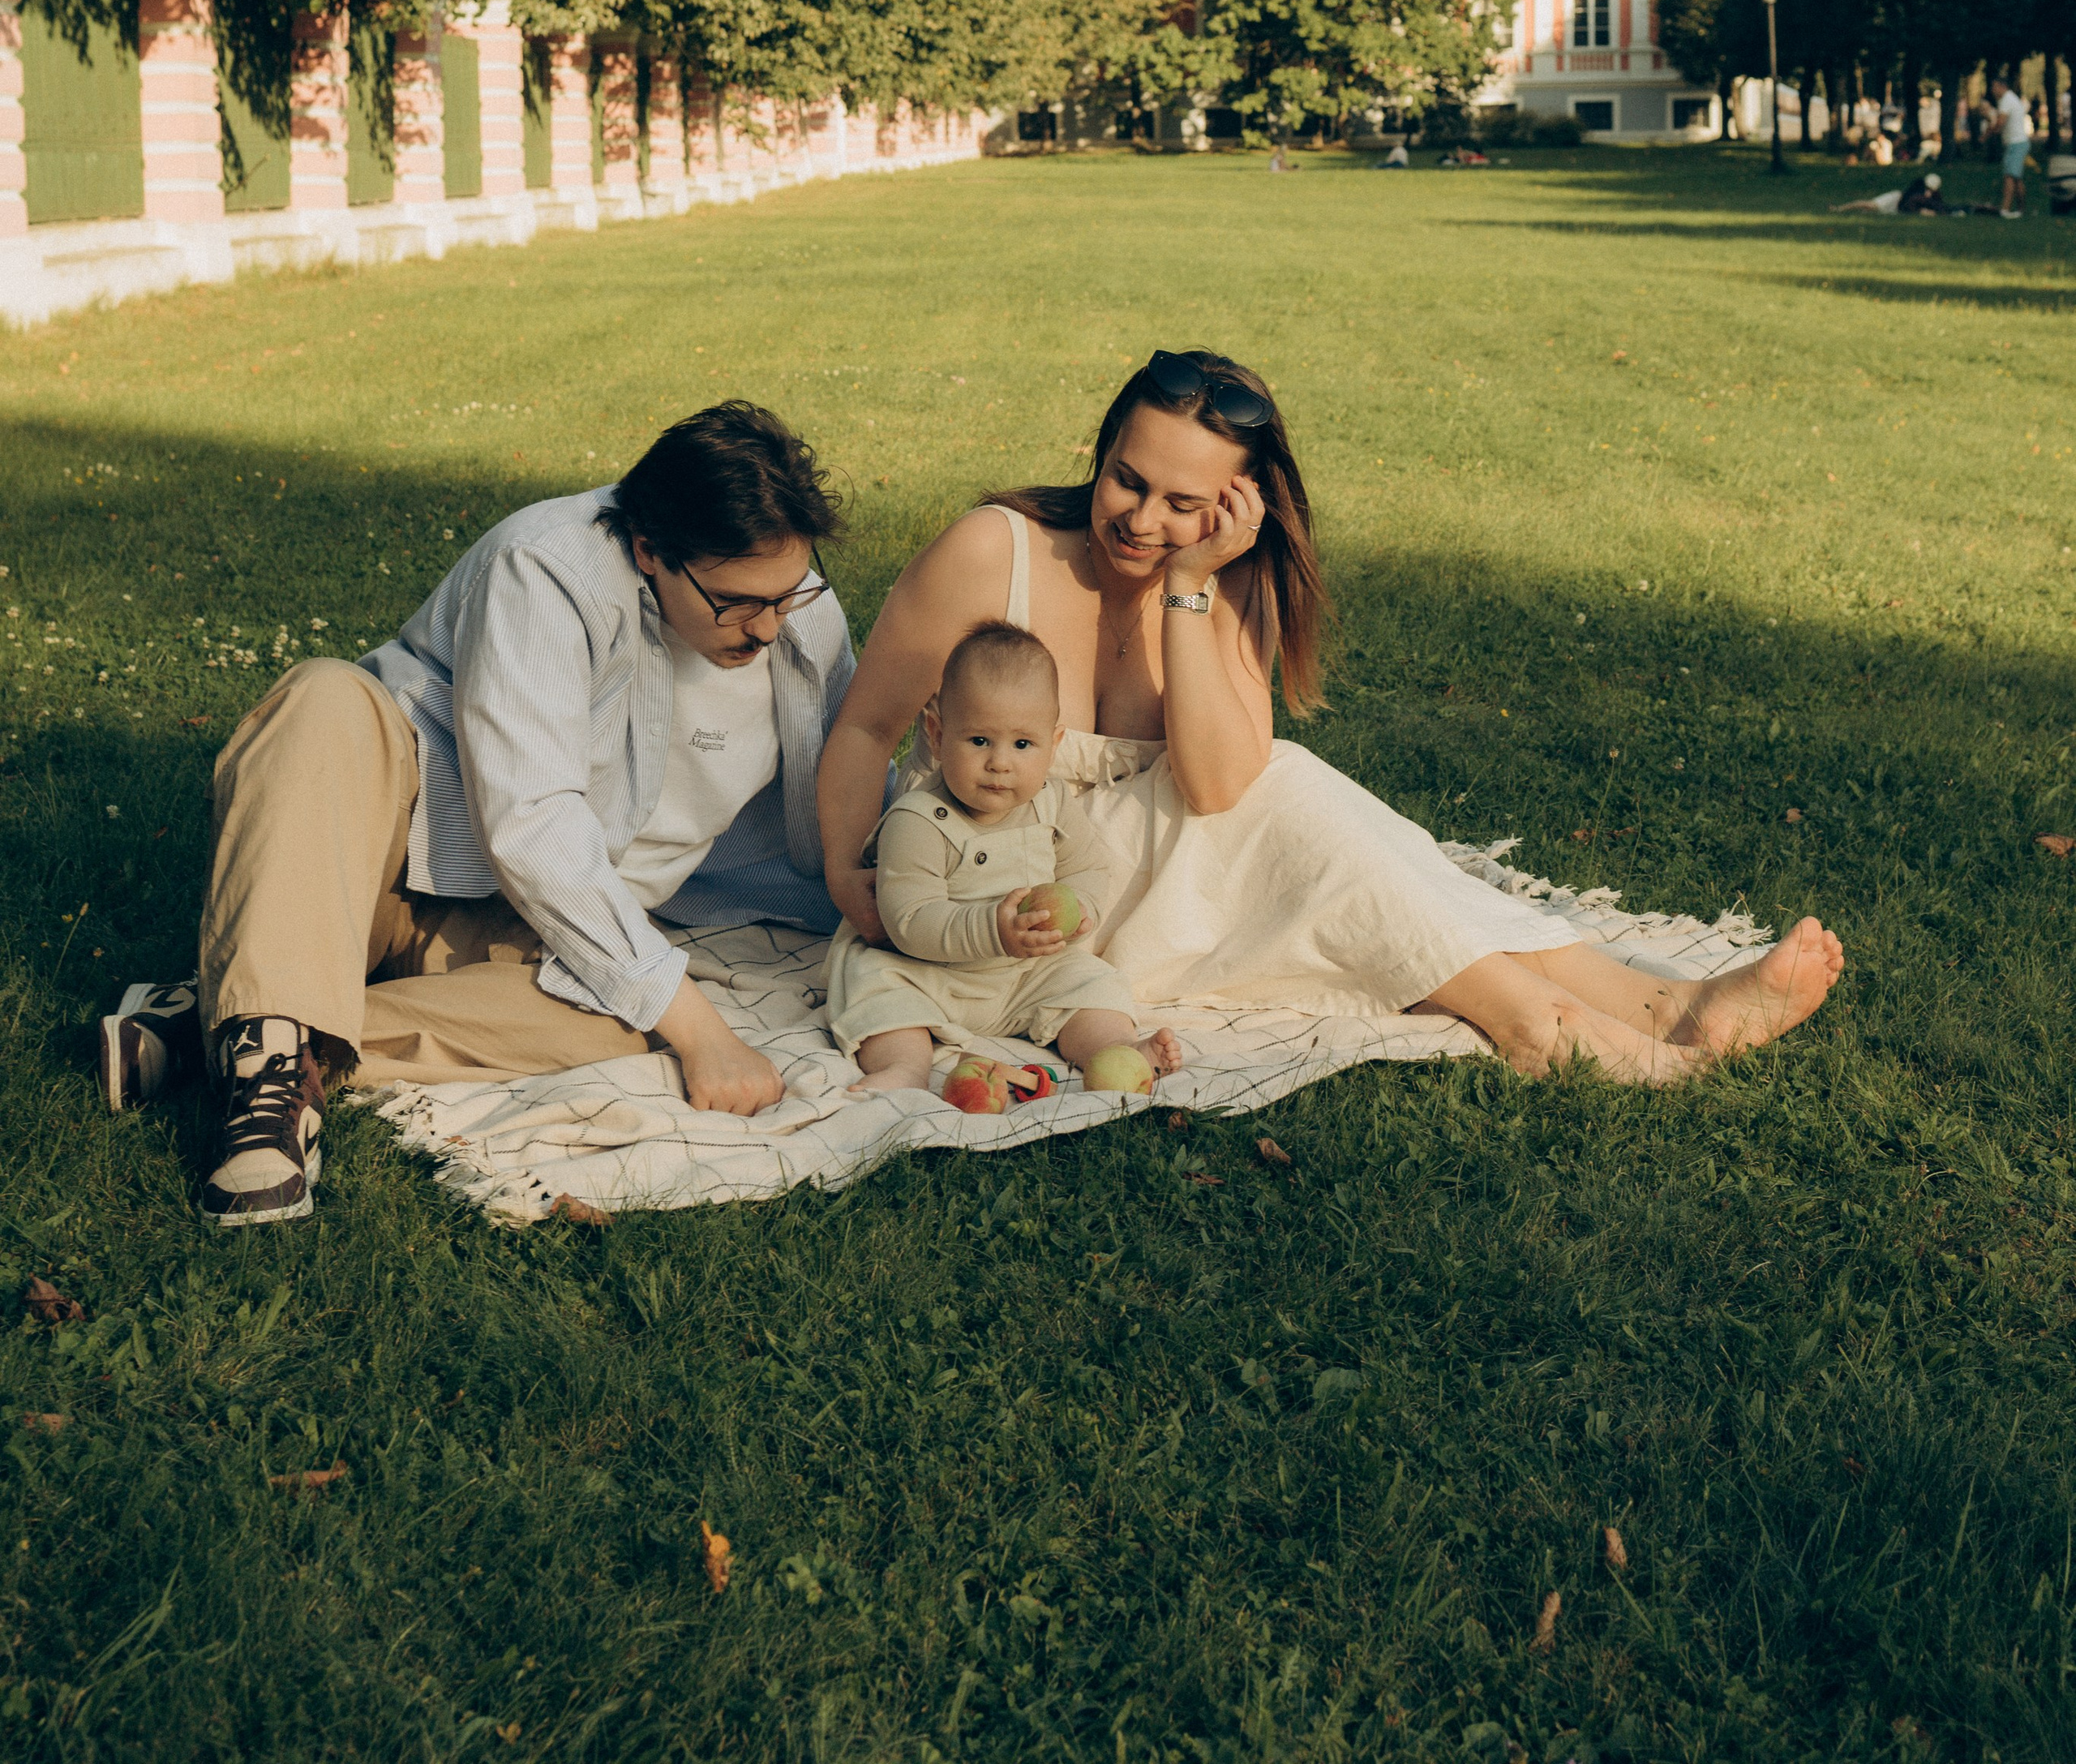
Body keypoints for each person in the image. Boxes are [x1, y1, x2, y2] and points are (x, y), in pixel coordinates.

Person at [818, 348, 1844, 1085]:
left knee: (1296, 800)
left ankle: (1656, 1004)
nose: (1141, 519)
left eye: (1183, 505)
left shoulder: (1217, 583)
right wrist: (844, 877)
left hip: (1149, 882)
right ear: (1101, 450)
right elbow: (866, 729)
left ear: (1234, 510)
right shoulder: (991, 551)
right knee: (1303, 800)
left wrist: (1188, 586)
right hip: (1008, 890)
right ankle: (1543, 1023)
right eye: (1127, 480)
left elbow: (1219, 782)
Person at [102, 403, 855, 1229]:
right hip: (366, 862)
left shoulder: (796, 621)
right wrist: (708, 1034)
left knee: (624, 1022)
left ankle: (253, 1024)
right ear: (649, 550)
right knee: (323, 698)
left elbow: (839, 791)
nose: (770, 625)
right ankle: (264, 1096)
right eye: (738, 602)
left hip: (500, 923)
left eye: (791, 593)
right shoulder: (545, 567)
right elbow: (533, 824)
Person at [829, 620, 1179, 1097]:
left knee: (1090, 982)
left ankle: (1114, 1049)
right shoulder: (917, 820)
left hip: (1027, 975)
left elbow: (1088, 866)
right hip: (931, 974)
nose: (1000, 762)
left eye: (1022, 744)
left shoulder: (1051, 803)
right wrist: (992, 930)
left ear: (1053, 746)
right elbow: (908, 918)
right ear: (936, 733)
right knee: (876, 990)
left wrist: (1082, 911)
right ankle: (905, 1070)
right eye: (978, 741)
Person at [1991, 78, 2032, 218]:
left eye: (1995, 87)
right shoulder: (2011, 99)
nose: (1993, 90)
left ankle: (2005, 209)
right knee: (2016, 177)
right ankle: (2021, 209)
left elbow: (2000, 122)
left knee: (2009, 176)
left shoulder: (2007, 100)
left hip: (2016, 143)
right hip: (2017, 142)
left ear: (2002, 87)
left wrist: (1990, 131)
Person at [1830, 170, 1948, 216]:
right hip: (1896, 199)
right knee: (1870, 205)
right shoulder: (1917, 187)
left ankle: (1846, 211)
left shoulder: (1935, 196)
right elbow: (1909, 200)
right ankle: (1840, 209)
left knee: (1870, 211)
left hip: (1897, 210)